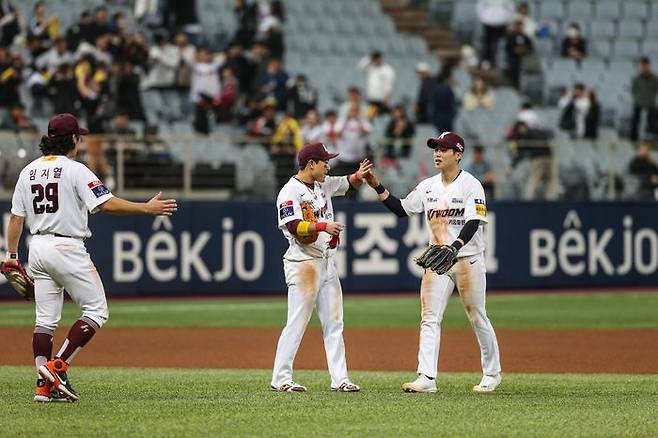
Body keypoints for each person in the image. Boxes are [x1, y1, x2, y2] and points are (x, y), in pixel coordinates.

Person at [3, 113, 177, 403]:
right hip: (67, 247)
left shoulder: (28, 172)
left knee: (45, 321)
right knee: (97, 310)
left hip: (38, 248)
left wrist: (11, 257)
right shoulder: (75, 169)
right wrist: (146, 208)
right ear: (73, 139)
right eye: (78, 136)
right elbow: (106, 203)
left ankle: (43, 387)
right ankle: (57, 368)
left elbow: (16, 220)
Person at [362, 132, 501, 393]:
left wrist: (455, 246)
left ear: (458, 154)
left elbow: (474, 221)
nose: (437, 153)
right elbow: (402, 209)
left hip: (467, 259)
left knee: (477, 316)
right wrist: (376, 185)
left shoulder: (471, 185)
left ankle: (492, 374)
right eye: (435, 148)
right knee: (429, 317)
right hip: (438, 260)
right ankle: (426, 377)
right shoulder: (428, 186)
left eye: (444, 149)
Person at [271, 142, 372, 392]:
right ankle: (281, 378)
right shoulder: (289, 191)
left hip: (327, 262)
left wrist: (359, 175)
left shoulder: (322, 183)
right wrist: (322, 226)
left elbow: (349, 183)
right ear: (311, 164)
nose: (328, 164)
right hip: (303, 263)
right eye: (324, 160)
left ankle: (340, 379)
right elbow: (294, 226)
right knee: (297, 321)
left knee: (334, 322)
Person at [477, 0, 514, 69]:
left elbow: (510, 7)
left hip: (501, 21)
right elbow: (480, 5)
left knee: (498, 43)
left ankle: (496, 62)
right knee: (487, 42)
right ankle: (486, 60)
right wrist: (482, 17)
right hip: (488, 20)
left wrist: (509, 22)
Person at [357, 51, 395, 117]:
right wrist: (368, 57)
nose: (376, 60)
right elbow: (359, 67)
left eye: (377, 58)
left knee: (377, 116)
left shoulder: (387, 69)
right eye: (374, 58)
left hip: (381, 99)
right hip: (370, 98)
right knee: (370, 117)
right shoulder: (370, 67)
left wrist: (386, 97)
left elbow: (389, 84)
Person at [631, 57, 658, 141]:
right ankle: (633, 139)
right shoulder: (637, 78)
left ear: (649, 66)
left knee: (653, 123)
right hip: (639, 103)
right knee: (635, 121)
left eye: (646, 65)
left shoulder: (655, 79)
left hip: (651, 103)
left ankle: (653, 139)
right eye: (643, 65)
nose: (645, 67)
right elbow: (633, 90)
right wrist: (637, 98)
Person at [505, 19, 533, 89]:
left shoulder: (526, 37)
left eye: (520, 26)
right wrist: (515, 50)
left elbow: (530, 47)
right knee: (514, 65)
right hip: (513, 57)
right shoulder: (511, 37)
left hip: (524, 57)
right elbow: (508, 48)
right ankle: (514, 84)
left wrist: (524, 50)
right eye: (517, 26)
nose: (519, 28)